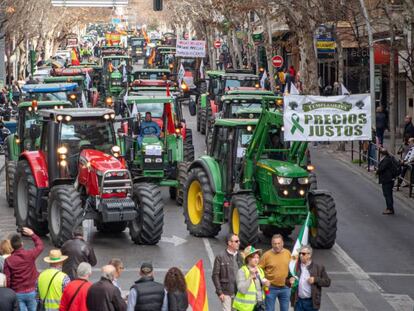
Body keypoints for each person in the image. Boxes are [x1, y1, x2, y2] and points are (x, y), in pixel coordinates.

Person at [4, 227, 44, 311]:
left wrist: (10, 291)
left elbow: (8, 279)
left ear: (11, 246)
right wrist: (32, 234)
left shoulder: (8, 260)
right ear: (22, 244)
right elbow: (40, 246)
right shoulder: (30, 254)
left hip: (17, 292)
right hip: (32, 290)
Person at [289, 245, 330, 311]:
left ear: (309, 255)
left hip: (311, 302)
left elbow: (327, 282)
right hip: (298, 301)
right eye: (300, 253)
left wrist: (315, 279)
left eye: (303, 254)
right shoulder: (296, 267)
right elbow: (288, 280)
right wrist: (290, 280)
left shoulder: (318, 267)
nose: (301, 255)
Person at [259, 234, 291, 311]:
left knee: (285, 309)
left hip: (285, 288)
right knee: (269, 309)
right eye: (275, 243)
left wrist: (292, 278)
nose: (277, 246)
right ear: (272, 244)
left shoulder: (288, 253)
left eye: (279, 243)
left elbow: (292, 268)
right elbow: (258, 270)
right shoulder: (266, 255)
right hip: (270, 288)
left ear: (282, 243)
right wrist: (264, 280)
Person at [212, 233, 243, 311]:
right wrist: (220, 292)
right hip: (226, 292)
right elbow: (215, 275)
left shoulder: (240, 256)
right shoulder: (220, 256)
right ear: (229, 243)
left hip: (238, 292)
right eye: (236, 241)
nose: (239, 243)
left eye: (239, 241)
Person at [233, 246, 270, 311]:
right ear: (248, 259)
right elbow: (242, 290)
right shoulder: (242, 271)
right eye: (253, 257)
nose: (256, 260)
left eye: (258, 257)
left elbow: (262, 289)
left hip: (259, 305)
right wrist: (250, 277)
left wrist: (266, 285)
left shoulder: (260, 270)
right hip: (245, 307)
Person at [376, 148, 397, 215]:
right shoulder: (389, 158)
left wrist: (377, 172)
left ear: (382, 154)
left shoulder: (386, 160)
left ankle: (389, 209)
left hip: (387, 179)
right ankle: (390, 208)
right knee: (388, 194)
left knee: (387, 194)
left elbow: (382, 168)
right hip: (389, 179)